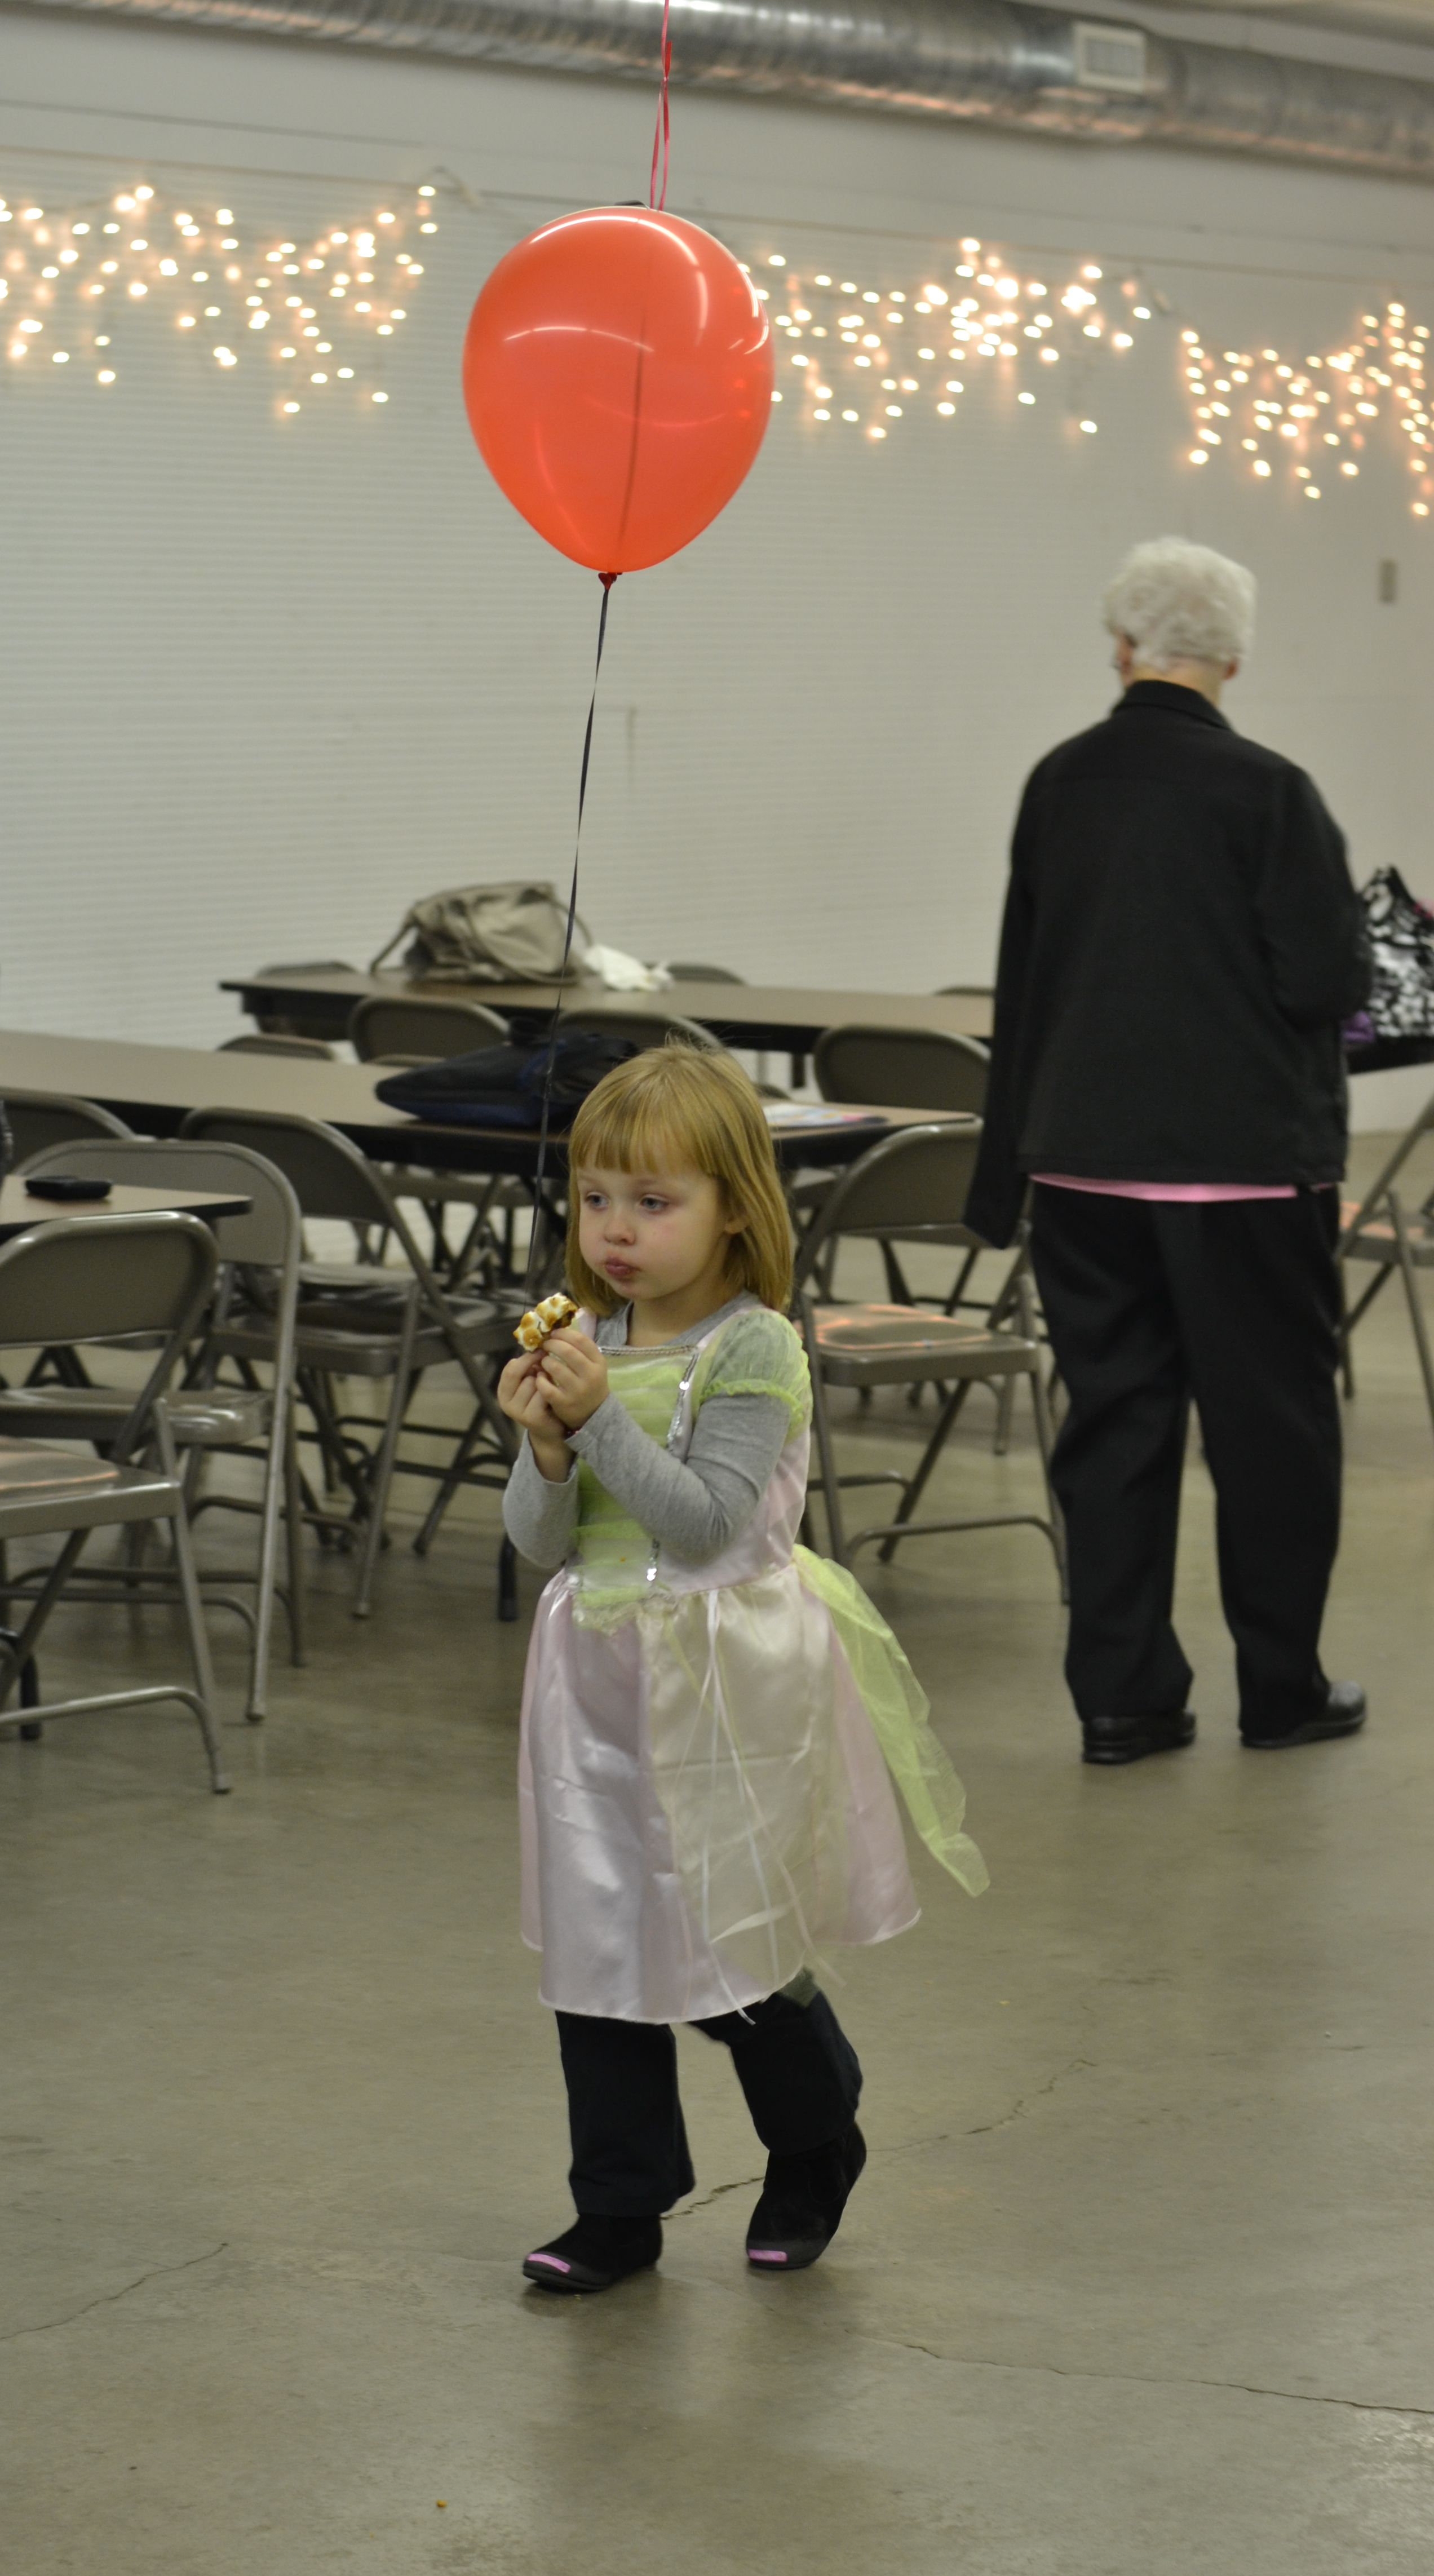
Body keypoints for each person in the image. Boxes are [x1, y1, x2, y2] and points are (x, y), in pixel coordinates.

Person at [499, 1044, 985, 2294]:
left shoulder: (753, 1349)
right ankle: (619, 2206)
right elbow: (542, 1542)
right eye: (598, 1199)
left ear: (733, 1211)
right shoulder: (589, 1337)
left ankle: (817, 2137)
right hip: (596, 1675)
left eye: (654, 1204)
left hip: (724, 1674)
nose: (616, 1231)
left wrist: (597, 1415)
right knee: (597, 1945)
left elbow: (704, 1521)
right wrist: (545, 1453)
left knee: (732, 1943)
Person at [966, 535, 1371, 1768]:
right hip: (1245, 1172)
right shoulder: (1272, 793)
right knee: (1274, 1434)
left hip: (1084, 1165)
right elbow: (1324, 981)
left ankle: (1125, 1702)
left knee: (1116, 1426)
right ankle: (1281, 1688)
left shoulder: (1058, 783)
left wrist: (1004, 1174)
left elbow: (1023, 984)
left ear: (1124, 646)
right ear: (1234, 656)